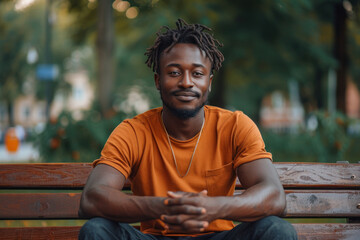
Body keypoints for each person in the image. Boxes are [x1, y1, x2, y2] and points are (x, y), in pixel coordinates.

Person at [78, 19, 298, 240]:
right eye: (174, 73)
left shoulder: (235, 126)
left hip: (218, 236)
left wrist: (213, 207)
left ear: (209, 82)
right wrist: (162, 206)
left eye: (197, 74)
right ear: (158, 80)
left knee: (276, 230)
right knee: (96, 230)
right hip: (155, 237)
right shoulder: (133, 132)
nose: (186, 82)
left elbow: (275, 197)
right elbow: (92, 198)